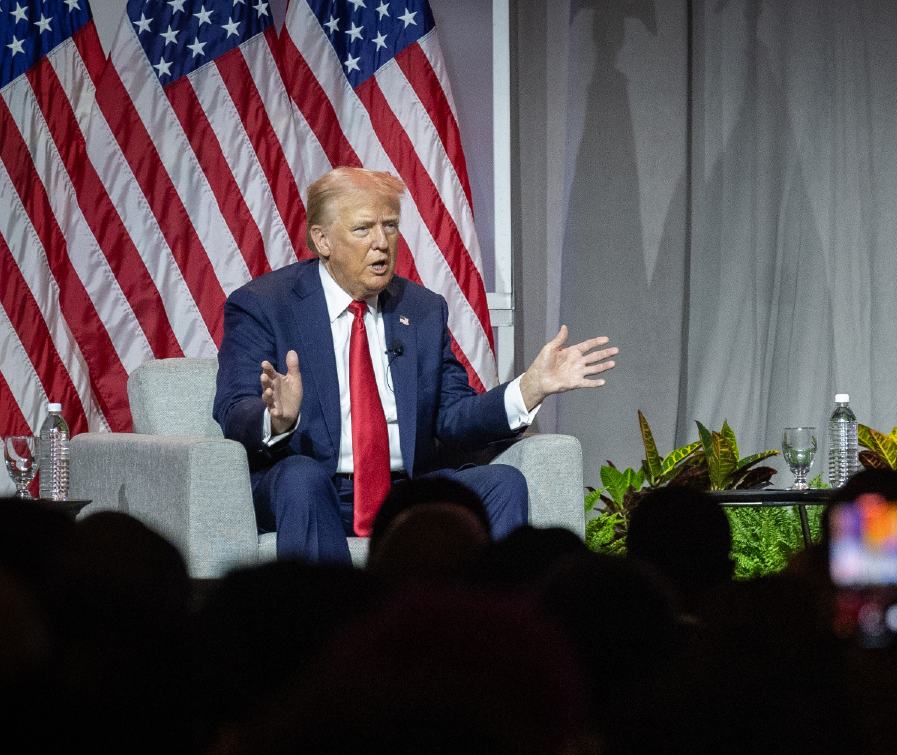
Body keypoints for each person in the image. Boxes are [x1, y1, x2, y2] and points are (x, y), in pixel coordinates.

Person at [213, 167, 617, 563]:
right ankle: (330, 624)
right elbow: (234, 409)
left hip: (403, 493)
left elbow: (453, 416)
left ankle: (483, 622)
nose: (381, 243)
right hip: (310, 487)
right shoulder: (265, 304)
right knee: (302, 479)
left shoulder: (421, 310)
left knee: (502, 483)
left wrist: (529, 388)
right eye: (363, 229)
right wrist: (277, 419)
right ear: (322, 240)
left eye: (389, 226)